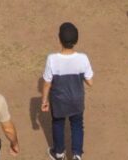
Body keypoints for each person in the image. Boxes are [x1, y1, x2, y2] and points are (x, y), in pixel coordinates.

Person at [40, 22, 93, 160]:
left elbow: (47, 83)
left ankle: (58, 153)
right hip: (77, 100)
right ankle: (76, 154)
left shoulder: (52, 59)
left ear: (59, 39)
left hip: (59, 101)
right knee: (77, 125)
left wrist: (44, 100)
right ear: (76, 40)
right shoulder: (83, 58)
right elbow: (90, 82)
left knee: (58, 123)